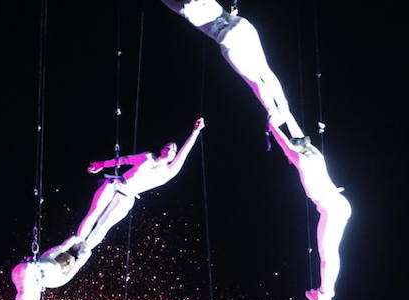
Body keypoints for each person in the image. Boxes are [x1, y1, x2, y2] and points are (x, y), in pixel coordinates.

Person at [160, 1, 303, 140]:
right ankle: (285, 111)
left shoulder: (184, 7)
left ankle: (273, 111)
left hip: (225, 38)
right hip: (241, 24)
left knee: (254, 80)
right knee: (266, 72)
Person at [76, 118, 205, 250]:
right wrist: (102, 164)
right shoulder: (147, 157)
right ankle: (75, 242)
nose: (170, 149)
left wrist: (195, 132)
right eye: (168, 147)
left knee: (103, 225)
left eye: (173, 149)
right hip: (114, 184)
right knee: (93, 213)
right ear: (162, 149)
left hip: (126, 197)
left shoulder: (169, 171)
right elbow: (124, 160)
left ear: (174, 156)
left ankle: (83, 250)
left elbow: (186, 151)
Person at [276, 134, 351, 300]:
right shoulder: (316, 154)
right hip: (339, 204)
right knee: (329, 252)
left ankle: (326, 291)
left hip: (332, 208)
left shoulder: (302, 161)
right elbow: (296, 134)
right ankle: (326, 290)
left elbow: (283, 143)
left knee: (327, 253)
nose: (288, 159)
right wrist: (283, 116)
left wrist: (271, 125)